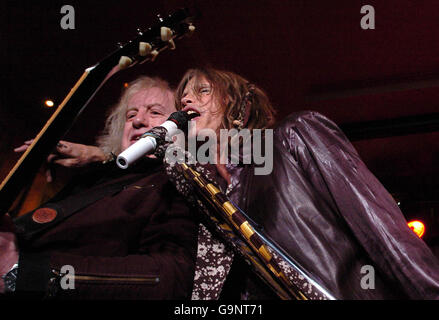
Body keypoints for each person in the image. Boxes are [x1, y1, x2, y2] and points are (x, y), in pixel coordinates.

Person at [172, 67, 439, 299]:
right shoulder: (207, 196)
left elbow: (378, 226)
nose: (186, 98)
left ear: (237, 103)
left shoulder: (294, 135)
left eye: (202, 91)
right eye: (183, 95)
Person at [0, 76, 198, 299]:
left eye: (155, 112)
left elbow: (171, 277)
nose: (138, 120)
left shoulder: (173, 183)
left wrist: (24, 272)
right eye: (130, 115)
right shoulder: (92, 179)